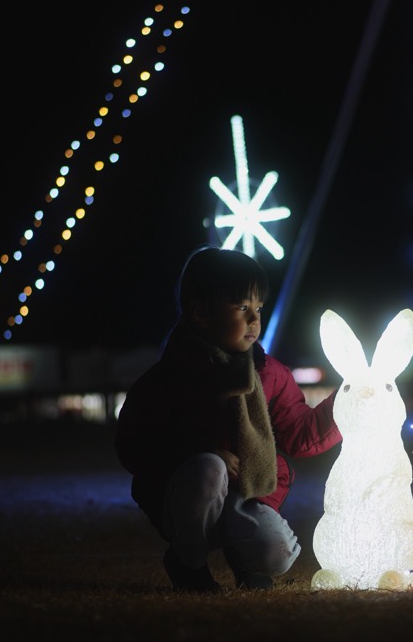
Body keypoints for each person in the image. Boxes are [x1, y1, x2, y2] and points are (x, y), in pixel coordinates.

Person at [114, 245, 342, 593]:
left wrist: (346, 402)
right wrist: (199, 452)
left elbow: (299, 433)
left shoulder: (270, 374)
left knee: (277, 554)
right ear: (200, 313)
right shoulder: (167, 380)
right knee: (209, 469)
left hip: (246, 496)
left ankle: (246, 558)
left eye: (259, 308)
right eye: (241, 307)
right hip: (186, 497)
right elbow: (133, 445)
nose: (254, 319)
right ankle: (188, 562)